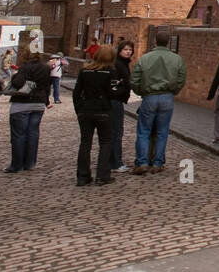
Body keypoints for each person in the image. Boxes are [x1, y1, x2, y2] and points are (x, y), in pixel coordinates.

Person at [130, 30, 185, 174]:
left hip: (149, 96)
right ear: (168, 42)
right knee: (162, 131)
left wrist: (140, 92)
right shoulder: (177, 59)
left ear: (155, 41)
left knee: (144, 131)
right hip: (167, 97)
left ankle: (142, 162)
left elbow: (134, 79)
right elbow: (181, 78)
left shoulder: (145, 58)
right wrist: (174, 90)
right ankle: (157, 162)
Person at [72, 45, 117, 186]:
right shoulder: (110, 72)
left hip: (85, 110)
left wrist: (78, 108)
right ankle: (102, 175)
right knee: (105, 142)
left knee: (85, 143)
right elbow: (112, 93)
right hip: (103, 110)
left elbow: (76, 93)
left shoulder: (85, 71)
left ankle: (82, 176)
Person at [3, 49, 51, 173]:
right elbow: (47, 86)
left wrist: (15, 76)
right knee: (33, 134)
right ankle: (30, 163)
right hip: (39, 103)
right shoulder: (46, 68)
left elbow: (18, 83)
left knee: (19, 135)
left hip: (22, 103)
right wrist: (46, 100)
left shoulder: (25, 67)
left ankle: (17, 165)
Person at [107, 40, 134, 172]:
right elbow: (116, 85)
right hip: (115, 101)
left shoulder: (122, 63)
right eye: (125, 49)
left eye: (130, 49)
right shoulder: (118, 64)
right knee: (116, 132)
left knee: (115, 132)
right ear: (119, 51)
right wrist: (124, 87)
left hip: (117, 101)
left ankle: (112, 160)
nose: (128, 52)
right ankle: (115, 163)